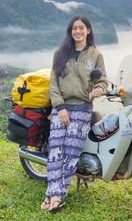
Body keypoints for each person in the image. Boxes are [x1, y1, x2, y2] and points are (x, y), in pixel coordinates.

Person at [41, 15, 107, 212]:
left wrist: (99, 89)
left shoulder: (96, 55)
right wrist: (60, 108)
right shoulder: (60, 53)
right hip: (61, 108)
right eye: (74, 28)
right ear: (70, 32)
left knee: (71, 153)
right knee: (55, 152)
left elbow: (102, 80)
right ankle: (51, 193)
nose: (78, 31)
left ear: (88, 30)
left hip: (82, 109)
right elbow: (53, 84)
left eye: (81, 28)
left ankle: (57, 195)